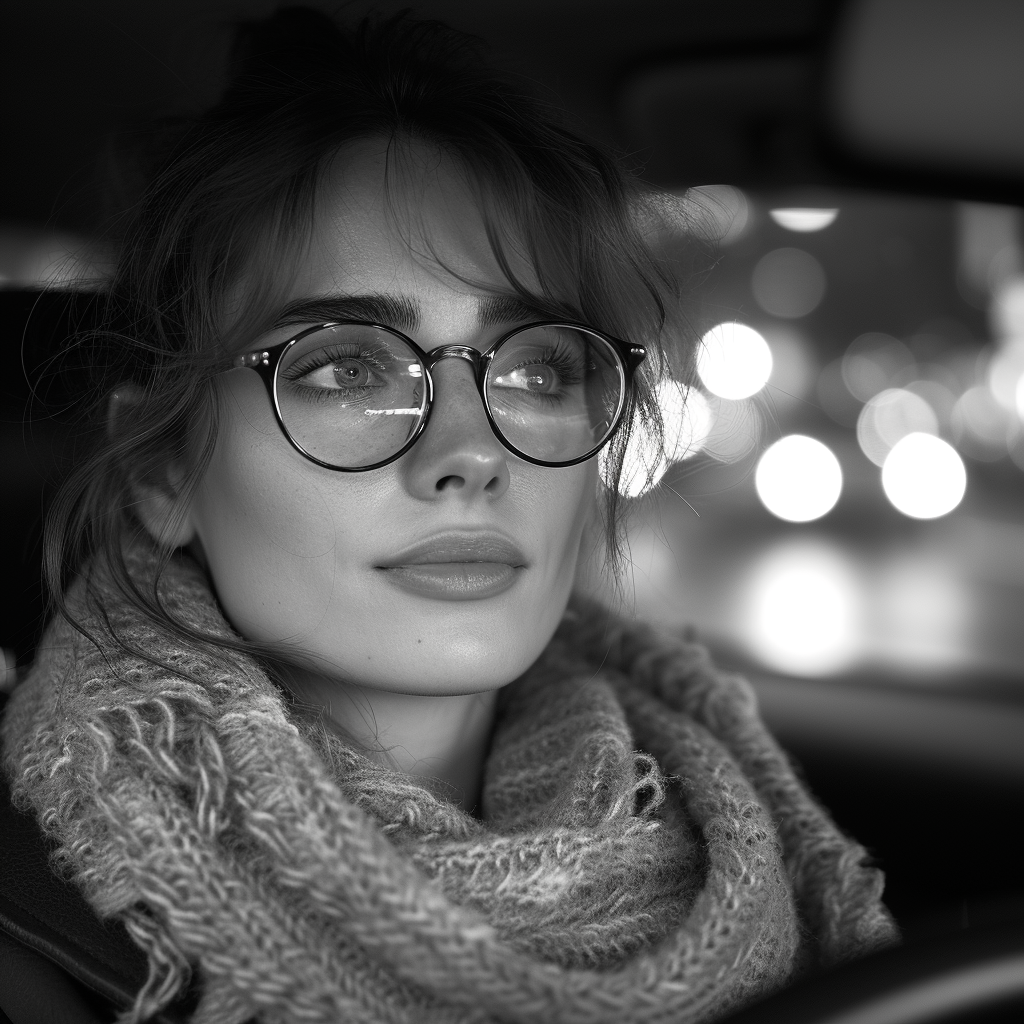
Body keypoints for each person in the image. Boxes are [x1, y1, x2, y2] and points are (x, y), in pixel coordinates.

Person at [0, 8, 897, 1023]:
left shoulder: (739, 854)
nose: (471, 453)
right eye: (345, 366)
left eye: (535, 368)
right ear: (164, 470)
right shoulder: (42, 958)